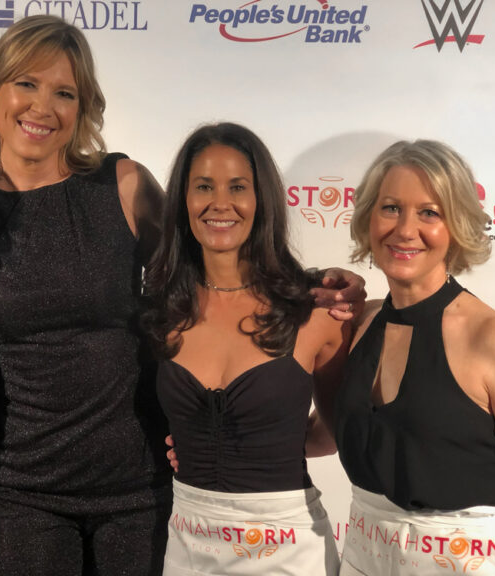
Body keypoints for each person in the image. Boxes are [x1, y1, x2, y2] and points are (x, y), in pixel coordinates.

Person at [0, 16, 365, 576]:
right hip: (20, 493)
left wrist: (306, 283)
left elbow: (213, 258)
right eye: (26, 84)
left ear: (82, 108)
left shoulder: (124, 185)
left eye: (65, 92)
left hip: (140, 486)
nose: (43, 107)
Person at [141, 122, 349, 575]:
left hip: (289, 549)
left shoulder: (314, 311)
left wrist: (267, 445)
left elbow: (335, 433)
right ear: (183, 201)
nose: (220, 203)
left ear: (262, 200)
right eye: (203, 187)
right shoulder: (160, 310)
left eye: (238, 186)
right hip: (188, 544)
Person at [335, 140, 495, 575]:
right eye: (391, 208)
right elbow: (330, 434)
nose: (405, 229)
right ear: (369, 218)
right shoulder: (361, 323)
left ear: (457, 226)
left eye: (429, 212)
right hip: (364, 555)